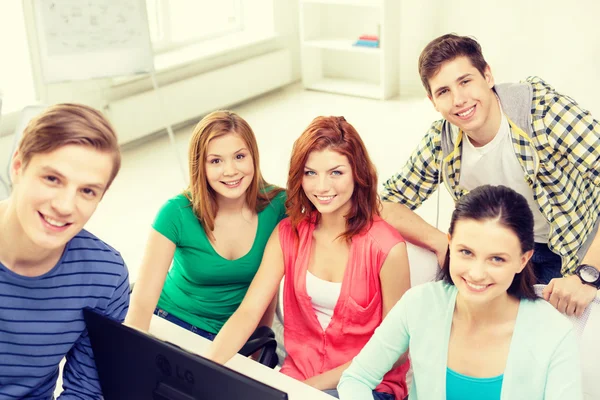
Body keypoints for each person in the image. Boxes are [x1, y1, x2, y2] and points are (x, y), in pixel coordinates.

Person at [381, 33, 600, 316]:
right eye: (443, 91)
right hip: (503, 252)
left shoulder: (543, 113)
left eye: (465, 81)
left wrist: (588, 276)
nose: (459, 100)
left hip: (574, 251)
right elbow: (385, 203)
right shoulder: (442, 140)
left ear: (487, 75)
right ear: (432, 101)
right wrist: (438, 241)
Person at [206, 116, 411, 400]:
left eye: (336, 173)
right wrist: (205, 369)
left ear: (358, 174)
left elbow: (397, 351)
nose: (321, 187)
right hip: (297, 379)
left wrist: (312, 388)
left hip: (366, 386)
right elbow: (248, 312)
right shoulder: (287, 234)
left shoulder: (388, 248)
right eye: (310, 173)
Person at [339, 185, 582, 400]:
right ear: (450, 244)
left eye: (496, 259)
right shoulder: (420, 303)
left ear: (522, 260)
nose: (476, 273)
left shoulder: (553, 332)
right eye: (466, 252)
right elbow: (356, 379)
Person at [0, 104, 130, 399]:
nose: (65, 206)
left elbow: (86, 390)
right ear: (18, 167)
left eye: (87, 191)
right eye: (52, 179)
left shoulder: (105, 275)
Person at [125, 110, 286, 340]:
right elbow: (141, 305)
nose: (230, 171)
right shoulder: (175, 212)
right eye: (216, 161)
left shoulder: (279, 206)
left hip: (231, 338)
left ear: (254, 157)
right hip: (168, 320)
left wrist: (259, 344)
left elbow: (270, 288)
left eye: (239, 156)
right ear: (201, 165)